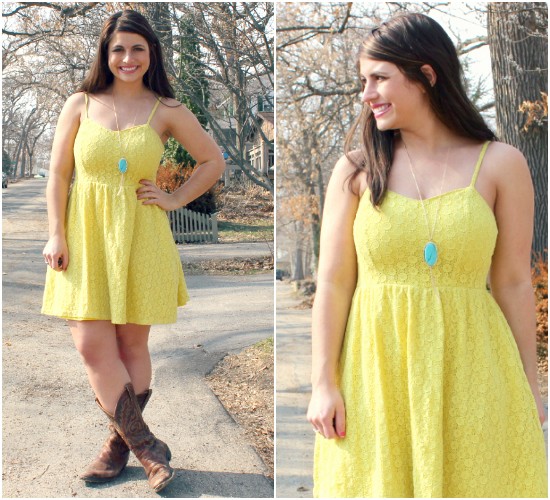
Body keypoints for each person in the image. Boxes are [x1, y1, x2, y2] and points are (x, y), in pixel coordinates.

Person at [307, 12, 548, 498]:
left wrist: (530, 382)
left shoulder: (501, 163)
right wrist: (323, 382)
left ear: (427, 76)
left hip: (474, 367)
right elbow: (333, 283)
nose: (366, 94)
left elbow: (513, 283)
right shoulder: (355, 171)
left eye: (379, 78)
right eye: (362, 81)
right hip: (375, 370)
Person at [41, 10, 225, 493]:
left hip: (142, 235)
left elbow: (212, 160)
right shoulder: (80, 103)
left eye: (137, 49)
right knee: (90, 344)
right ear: (105, 53)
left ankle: (117, 448)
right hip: (85, 234)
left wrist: (176, 198)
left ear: (151, 54)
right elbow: (59, 174)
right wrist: (56, 232)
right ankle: (148, 447)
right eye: (118, 49)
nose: (127, 58)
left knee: (131, 346)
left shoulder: (165, 107)